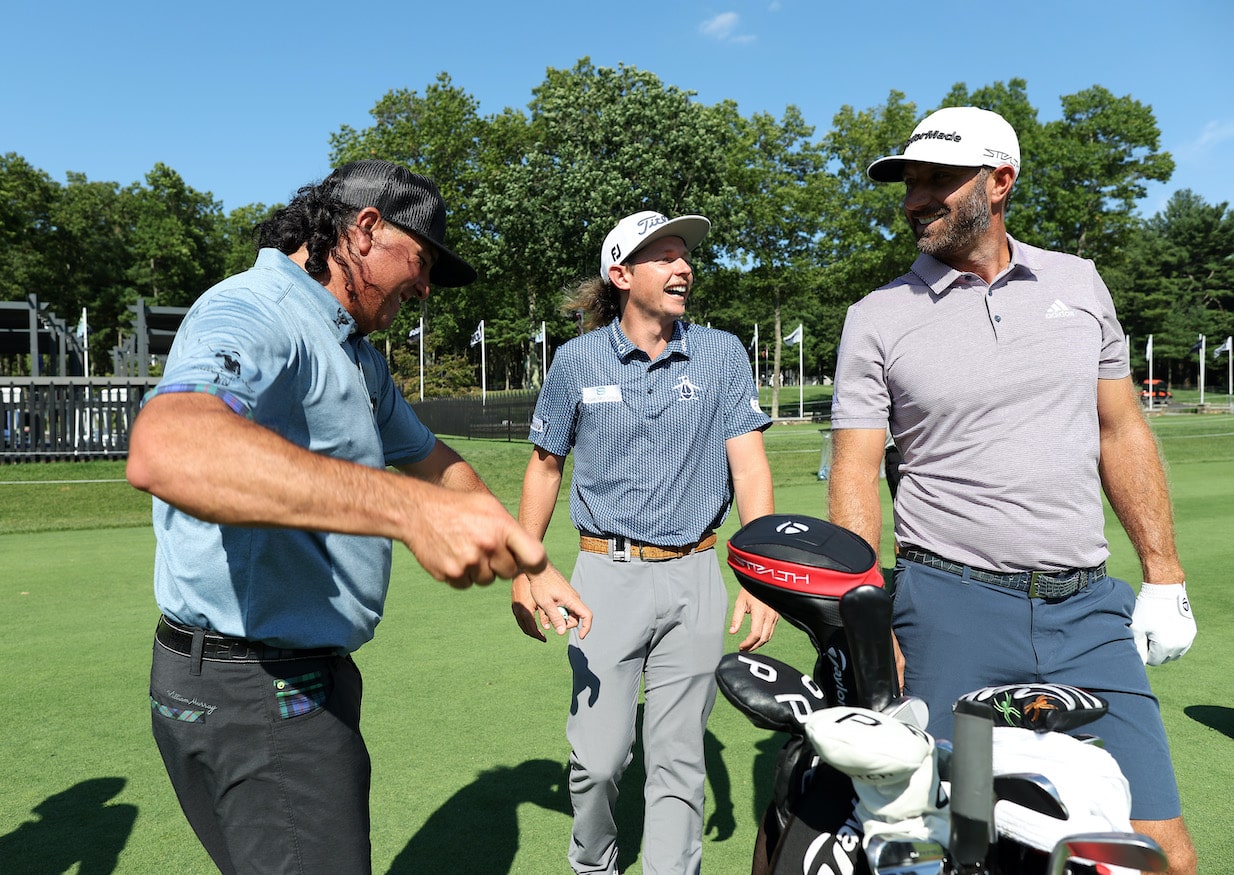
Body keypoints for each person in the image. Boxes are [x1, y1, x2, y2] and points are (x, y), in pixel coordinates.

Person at [126, 159, 548, 874]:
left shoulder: (351, 350)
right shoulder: (256, 309)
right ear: (367, 228)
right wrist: (408, 511)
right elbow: (168, 448)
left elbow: (434, 460)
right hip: (259, 690)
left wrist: (523, 558)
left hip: (265, 681)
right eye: (421, 262)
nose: (424, 289)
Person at [827, 106, 1198, 872]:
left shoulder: (1079, 282)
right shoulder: (876, 318)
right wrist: (871, 625)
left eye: (938, 180)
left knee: (1159, 848)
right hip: (948, 609)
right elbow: (857, 471)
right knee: (944, 846)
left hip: (1089, 609)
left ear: (1000, 182)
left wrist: (1164, 575)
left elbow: (1120, 429)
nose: (914, 199)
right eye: (908, 182)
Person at [510, 210, 780, 875]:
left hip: (696, 575)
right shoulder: (575, 362)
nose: (682, 265)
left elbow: (748, 466)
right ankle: (594, 861)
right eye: (663, 255)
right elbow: (545, 465)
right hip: (603, 579)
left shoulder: (722, 353)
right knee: (598, 761)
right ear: (621, 273)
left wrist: (763, 573)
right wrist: (525, 566)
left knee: (679, 758)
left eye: (684, 254)